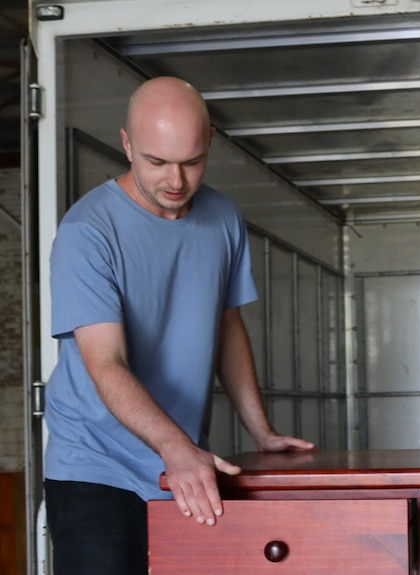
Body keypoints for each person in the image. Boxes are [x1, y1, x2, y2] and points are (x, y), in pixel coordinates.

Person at [43, 76, 315, 575]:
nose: (175, 180)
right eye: (156, 162)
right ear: (126, 144)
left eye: (191, 162)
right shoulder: (88, 233)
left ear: (210, 140)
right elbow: (106, 362)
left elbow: (227, 328)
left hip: (184, 464)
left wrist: (262, 432)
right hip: (96, 466)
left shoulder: (224, 218)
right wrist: (177, 449)